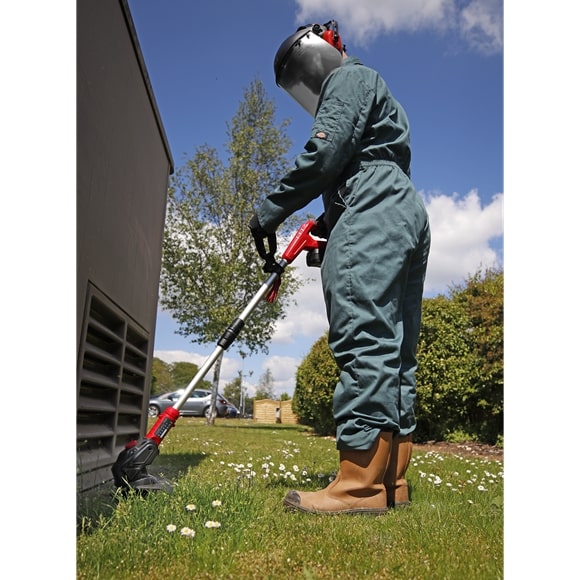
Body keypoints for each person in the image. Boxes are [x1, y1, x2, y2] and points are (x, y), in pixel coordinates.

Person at [249, 20, 431, 515]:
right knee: (396, 348)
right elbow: (361, 162)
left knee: (364, 337)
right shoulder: (376, 91)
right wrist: (330, 222)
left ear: (322, 47)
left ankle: (357, 487)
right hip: (401, 208)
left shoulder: (347, 77)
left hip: (370, 206)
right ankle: (392, 482)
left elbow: (325, 152)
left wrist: (268, 213)